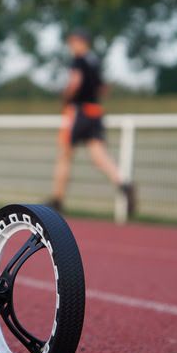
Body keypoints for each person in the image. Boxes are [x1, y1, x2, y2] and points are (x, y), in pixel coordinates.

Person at [47, 28, 136, 216]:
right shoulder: (94, 61)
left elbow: (75, 83)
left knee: (64, 155)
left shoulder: (78, 60)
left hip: (79, 112)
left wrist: (66, 97)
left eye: (73, 42)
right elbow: (103, 89)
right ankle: (124, 184)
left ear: (81, 42)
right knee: (99, 156)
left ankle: (57, 200)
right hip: (95, 112)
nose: (71, 46)